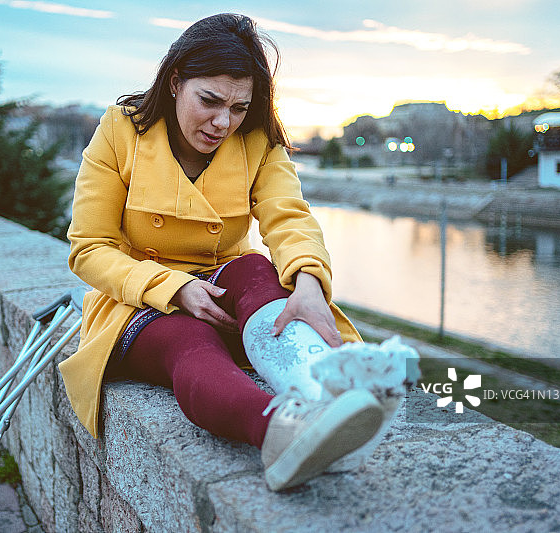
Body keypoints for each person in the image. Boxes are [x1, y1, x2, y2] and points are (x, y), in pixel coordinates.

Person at [60, 13, 404, 491]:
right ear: (176, 81)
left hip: (225, 285)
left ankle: (324, 392)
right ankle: (283, 435)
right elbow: (88, 248)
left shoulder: (258, 139)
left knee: (258, 270)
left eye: (239, 107)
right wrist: (175, 288)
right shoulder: (121, 130)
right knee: (187, 341)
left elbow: (288, 216)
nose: (223, 122)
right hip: (139, 298)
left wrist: (307, 284)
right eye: (210, 101)